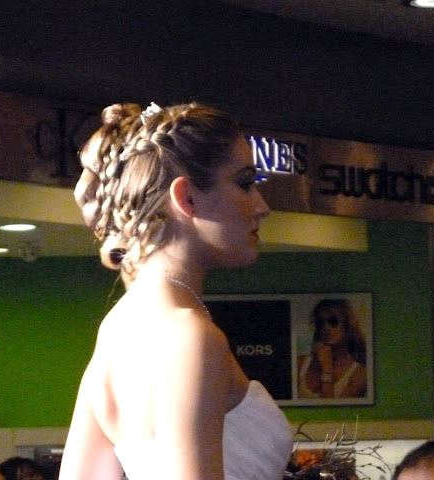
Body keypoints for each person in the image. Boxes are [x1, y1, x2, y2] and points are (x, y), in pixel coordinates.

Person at [59, 102, 293, 480]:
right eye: (245, 183)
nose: (262, 206)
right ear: (187, 198)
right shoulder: (191, 335)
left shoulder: (117, 329)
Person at [297, 298, 367, 399]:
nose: (326, 327)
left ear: (347, 325)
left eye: (333, 321)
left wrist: (327, 371)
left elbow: (331, 407)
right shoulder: (300, 363)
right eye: (320, 323)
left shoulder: (359, 374)